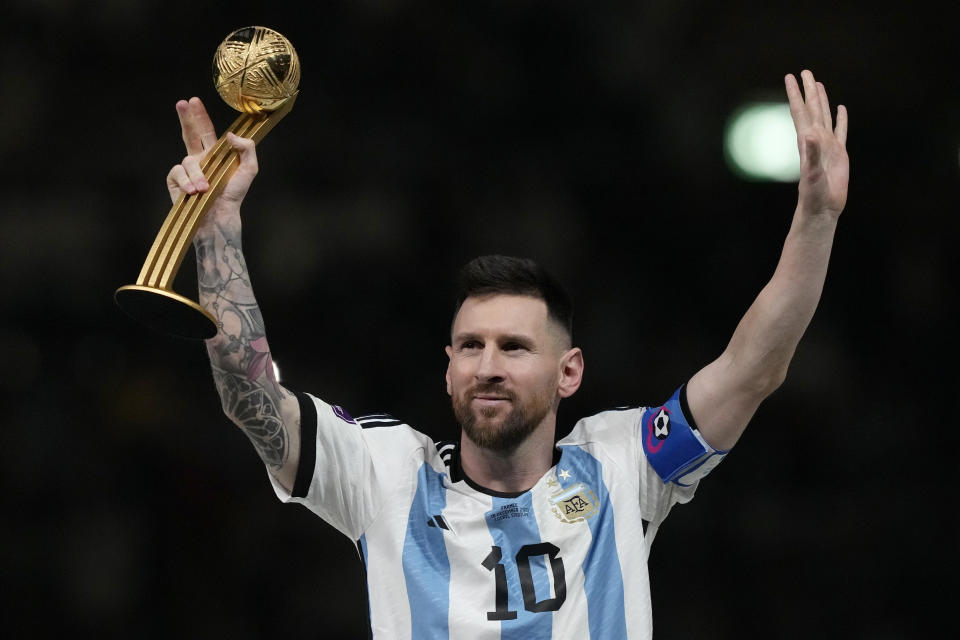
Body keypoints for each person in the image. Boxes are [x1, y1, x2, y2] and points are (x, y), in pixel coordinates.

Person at [166, 69, 848, 638]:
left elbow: (753, 368)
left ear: (569, 371)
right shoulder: (385, 473)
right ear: (448, 368)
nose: (487, 364)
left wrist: (816, 218)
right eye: (471, 346)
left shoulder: (622, 465)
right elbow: (246, 394)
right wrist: (217, 228)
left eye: (514, 347)